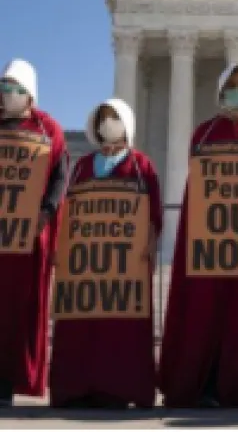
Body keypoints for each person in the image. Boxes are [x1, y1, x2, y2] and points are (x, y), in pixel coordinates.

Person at [159, 63, 238, 408]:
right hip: (213, 243)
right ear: (220, 90)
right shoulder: (204, 133)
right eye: (232, 84)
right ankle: (208, 387)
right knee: (209, 317)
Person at [50, 98, 162, 409]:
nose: (108, 123)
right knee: (80, 325)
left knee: (121, 328)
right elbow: (67, 209)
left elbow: (153, 212)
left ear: (126, 123)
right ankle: (75, 388)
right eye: (103, 118)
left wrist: (151, 242)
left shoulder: (141, 164)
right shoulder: (83, 165)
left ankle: (121, 387)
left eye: (114, 118)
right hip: (86, 263)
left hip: (126, 263)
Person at [0, 59, 68, 406]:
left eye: (17, 89)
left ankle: (14, 379)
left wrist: (48, 210)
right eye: (5, 87)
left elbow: (60, 174)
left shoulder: (48, 128)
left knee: (21, 308)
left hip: (28, 238)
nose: (9, 95)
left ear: (31, 94)